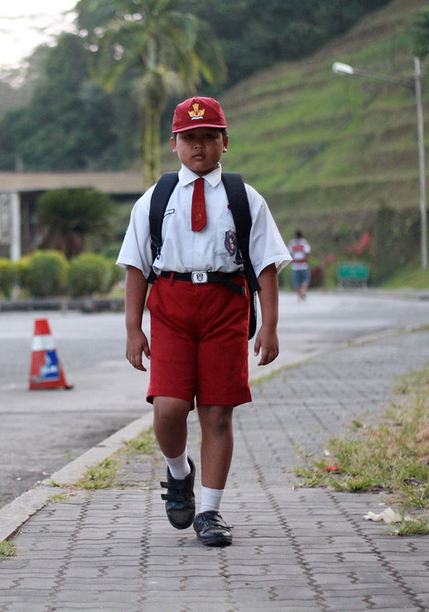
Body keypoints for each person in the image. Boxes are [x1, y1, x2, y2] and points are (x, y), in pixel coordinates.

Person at [117, 96, 291, 547]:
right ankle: (179, 474)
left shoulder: (244, 198)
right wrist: (133, 328)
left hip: (225, 305)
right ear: (174, 143)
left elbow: (266, 264)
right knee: (168, 407)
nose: (199, 147)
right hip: (171, 306)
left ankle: (210, 512)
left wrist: (269, 326)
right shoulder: (155, 200)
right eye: (190, 138)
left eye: (209, 137)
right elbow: (136, 267)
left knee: (217, 412)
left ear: (225, 142)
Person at [288, 230, 311, 300]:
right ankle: (303, 292)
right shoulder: (304, 243)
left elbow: (289, 253)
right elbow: (307, 253)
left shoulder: (292, 243)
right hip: (304, 265)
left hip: (295, 266)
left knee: (296, 282)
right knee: (306, 280)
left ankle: (300, 294)